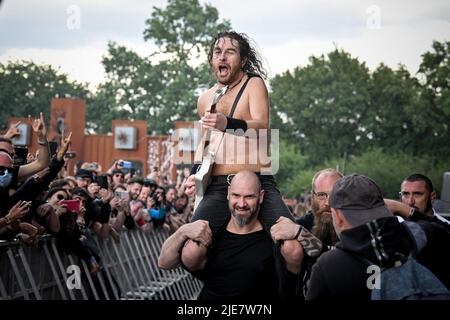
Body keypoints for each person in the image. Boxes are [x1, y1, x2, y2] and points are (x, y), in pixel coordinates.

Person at [183, 31, 302, 273]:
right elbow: (206, 141)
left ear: (243, 60)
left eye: (230, 52)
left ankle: (288, 290)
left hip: (257, 183)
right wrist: (194, 173)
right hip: (217, 186)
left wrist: (227, 123)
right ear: (211, 60)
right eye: (218, 52)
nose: (222, 57)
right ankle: (218, 285)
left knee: (293, 249)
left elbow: (262, 127)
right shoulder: (204, 98)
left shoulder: (253, 84)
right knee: (190, 253)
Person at [158, 170, 301, 300]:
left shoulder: (276, 239)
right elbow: (164, 263)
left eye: (249, 197)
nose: (241, 203)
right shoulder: (209, 235)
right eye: (236, 195)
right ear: (228, 194)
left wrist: (298, 232)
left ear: (261, 196)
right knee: (191, 252)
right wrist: (183, 231)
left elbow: (300, 269)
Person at [306, 174, 450, 300]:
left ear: (336, 215)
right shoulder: (420, 235)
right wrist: (405, 209)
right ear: (384, 206)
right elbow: (443, 229)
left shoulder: (328, 265)